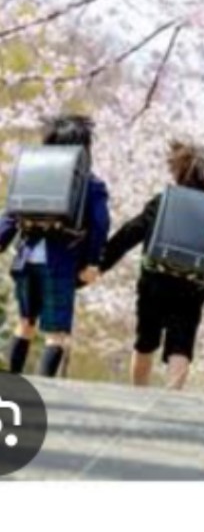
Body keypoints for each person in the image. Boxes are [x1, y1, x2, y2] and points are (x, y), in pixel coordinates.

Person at [100, 140, 204, 389]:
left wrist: (101, 263)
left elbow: (129, 233)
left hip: (154, 280)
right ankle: (171, 401)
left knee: (146, 339)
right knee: (181, 343)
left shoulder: (163, 200)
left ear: (179, 170)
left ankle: (138, 394)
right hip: (192, 285)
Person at [0, 114, 110, 378]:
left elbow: (11, 214)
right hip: (59, 264)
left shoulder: (31, 173)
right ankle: (44, 390)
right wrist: (92, 262)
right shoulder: (91, 183)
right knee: (56, 332)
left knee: (25, 322)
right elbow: (100, 224)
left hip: (25, 260)